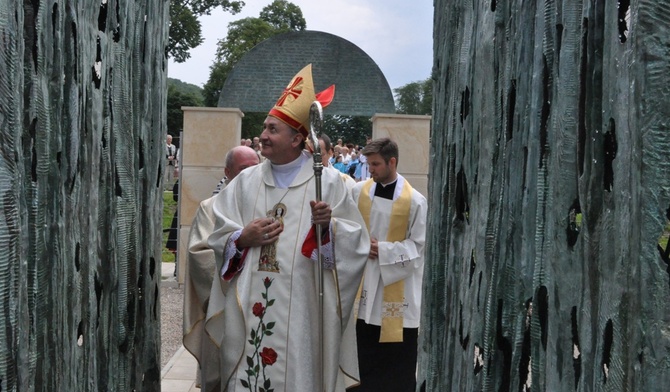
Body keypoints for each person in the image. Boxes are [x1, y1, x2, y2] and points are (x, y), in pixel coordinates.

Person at [205, 64, 370, 391]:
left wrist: (328, 230)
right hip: (250, 302)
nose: (263, 136)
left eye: (272, 130)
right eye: (264, 128)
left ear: (297, 138)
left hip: (303, 310)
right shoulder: (245, 184)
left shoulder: (330, 184)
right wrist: (241, 239)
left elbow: (354, 249)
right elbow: (219, 236)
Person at [349, 138, 427, 392]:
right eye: (368, 164)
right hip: (363, 290)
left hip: (396, 291)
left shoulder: (415, 201)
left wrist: (381, 250)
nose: (370, 169)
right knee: (362, 360)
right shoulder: (357, 192)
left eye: (375, 164)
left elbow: (418, 247)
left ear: (392, 162)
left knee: (395, 367)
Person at [183, 146, 260, 392]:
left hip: (261, 303)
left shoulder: (268, 205)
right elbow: (200, 255)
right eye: (244, 169)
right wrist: (237, 247)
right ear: (227, 172)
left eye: (256, 167)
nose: (251, 174)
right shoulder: (211, 207)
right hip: (225, 305)